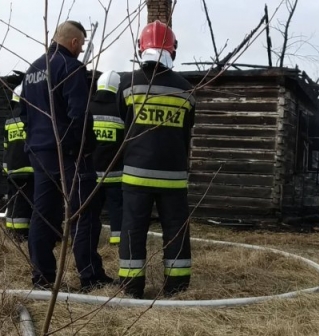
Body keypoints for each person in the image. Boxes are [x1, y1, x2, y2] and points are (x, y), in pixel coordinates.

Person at [19, 20, 114, 291]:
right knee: (84, 213)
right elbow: (79, 114)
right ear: (73, 42)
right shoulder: (71, 67)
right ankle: (90, 275)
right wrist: (81, 147)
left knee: (43, 214)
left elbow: (24, 115)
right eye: (82, 45)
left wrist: (38, 141)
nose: (82, 50)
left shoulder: (33, 69)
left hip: (39, 153)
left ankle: (42, 277)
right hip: (68, 155)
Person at [117, 20, 196, 299]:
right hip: (173, 176)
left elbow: (121, 128)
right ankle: (177, 288)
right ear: (172, 50)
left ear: (141, 49)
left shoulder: (127, 84)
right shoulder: (186, 90)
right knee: (175, 231)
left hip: (135, 174)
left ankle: (131, 286)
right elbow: (186, 133)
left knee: (132, 230)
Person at [89, 70, 125, 246]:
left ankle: (90, 239)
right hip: (116, 173)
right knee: (117, 207)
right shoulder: (121, 111)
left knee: (91, 209)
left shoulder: (87, 109)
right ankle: (117, 239)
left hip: (91, 173)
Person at [3, 84, 33, 242]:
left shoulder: (9, 120)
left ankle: (13, 234)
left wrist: (6, 169)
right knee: (29, 202)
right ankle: (23, 235)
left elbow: (6, 147)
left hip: (13, 169)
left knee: (14, 201)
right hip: (31, 169)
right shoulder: (33, 118)